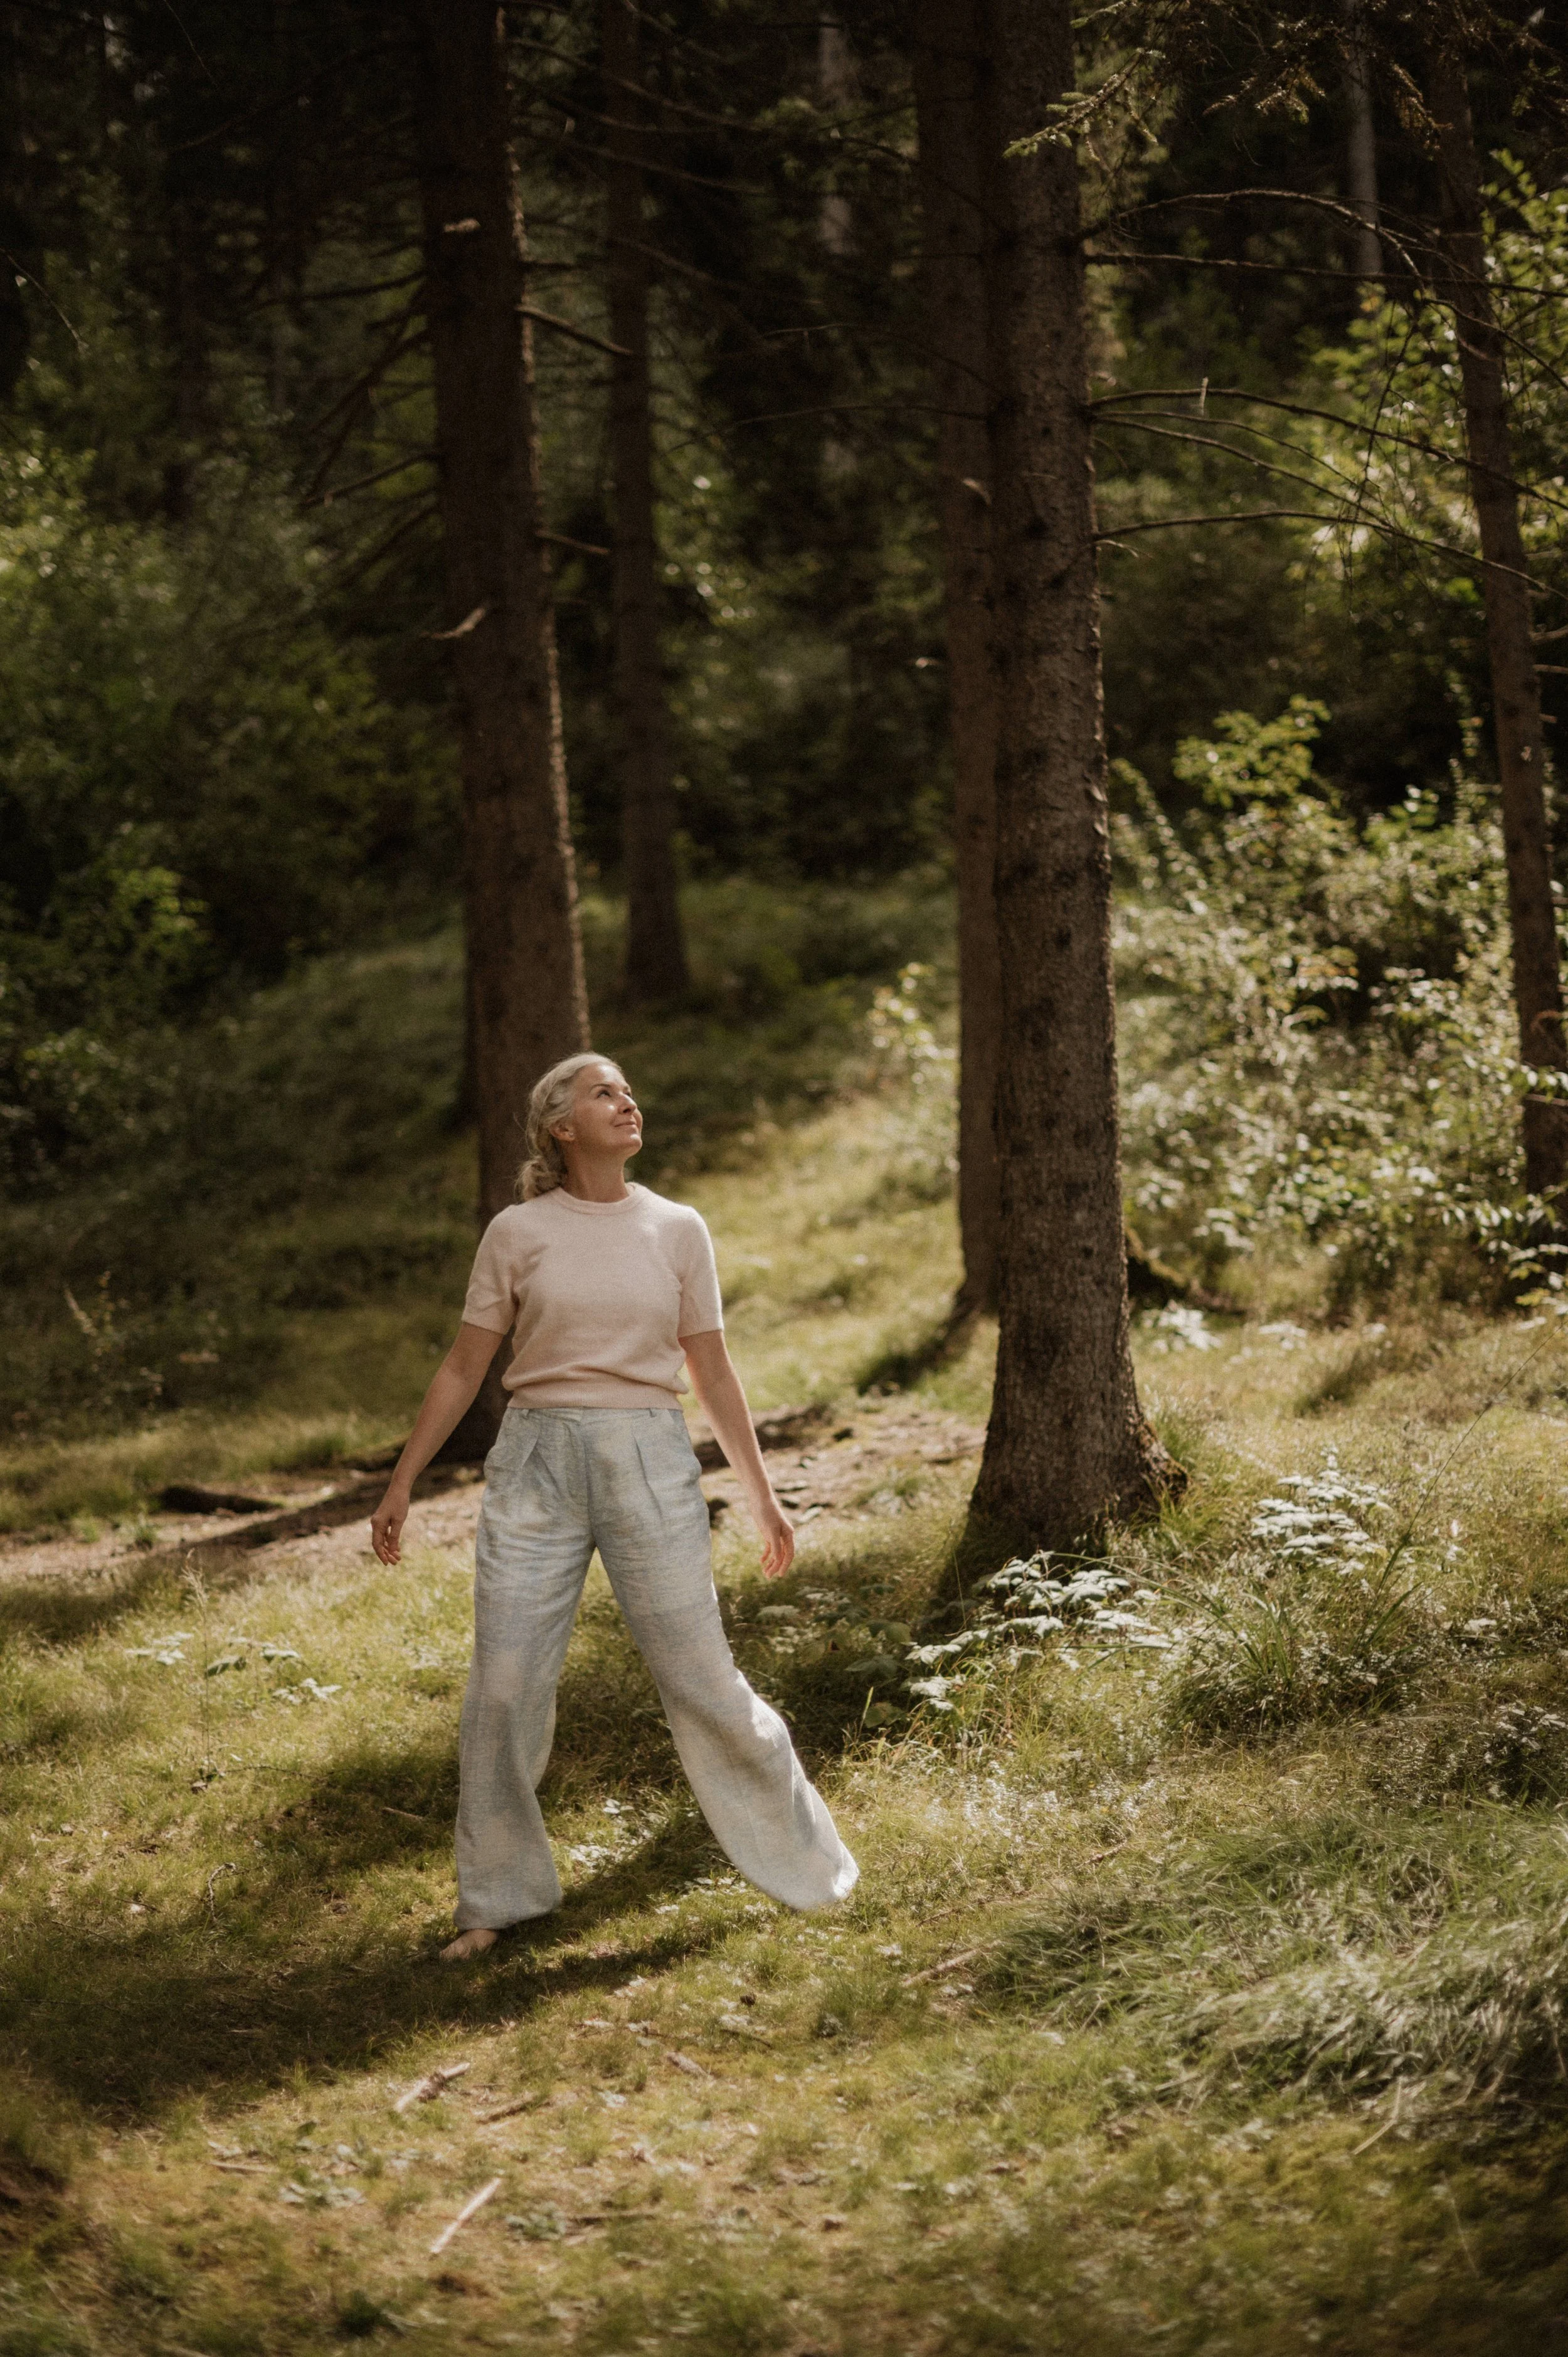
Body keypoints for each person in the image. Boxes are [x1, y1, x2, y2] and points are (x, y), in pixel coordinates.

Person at [370, 1052, 858, 1961]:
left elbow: (713, 1371)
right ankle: (495, 1901)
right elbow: (465, 1365)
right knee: (504, 1687)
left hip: (648, 1458)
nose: (628, 1102)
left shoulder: (677, 1228)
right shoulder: (517, 1232)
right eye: (605, 1093)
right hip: (535, 1464)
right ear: (562, 1126)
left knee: (703, 1679)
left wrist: (763, 1498)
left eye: (629, 1090)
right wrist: (402, 1481)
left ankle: (810, 1868)